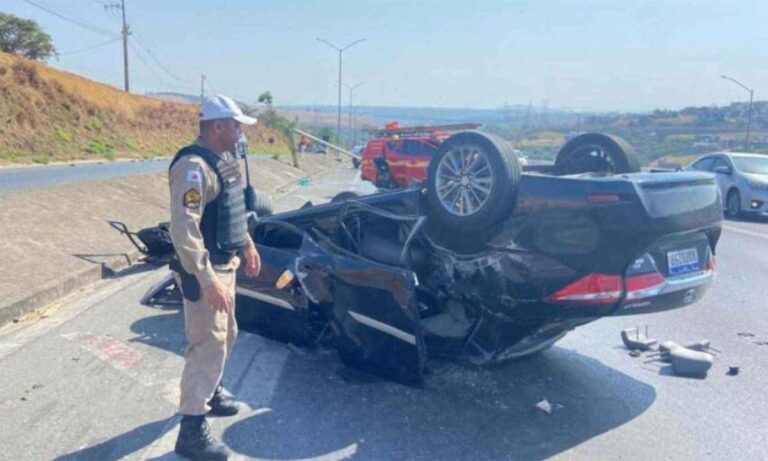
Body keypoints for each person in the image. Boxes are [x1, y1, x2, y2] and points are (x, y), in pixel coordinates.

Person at [168, 94, 262, 460]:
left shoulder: (223, 161)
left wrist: (247, 244)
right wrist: (208, 281)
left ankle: (213, 389)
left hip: (228, 265)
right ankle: (191, 431)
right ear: (218, 126)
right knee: (207, 345)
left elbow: (233, 209)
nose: (240, 132)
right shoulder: (193, 167)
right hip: (205, 271)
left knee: (228, 335)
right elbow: (184, 230)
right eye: (236, 125)